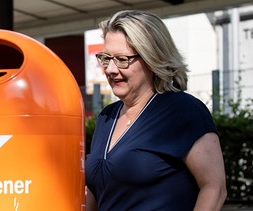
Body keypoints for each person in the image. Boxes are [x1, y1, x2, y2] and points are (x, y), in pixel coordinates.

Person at [85, 10, 227, 211]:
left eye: (121, 59)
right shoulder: (106, 117)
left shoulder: (183, 111)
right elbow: (96, 191)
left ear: (152, 58)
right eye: (106, 58)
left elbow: (214, 188)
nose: (110, 69)